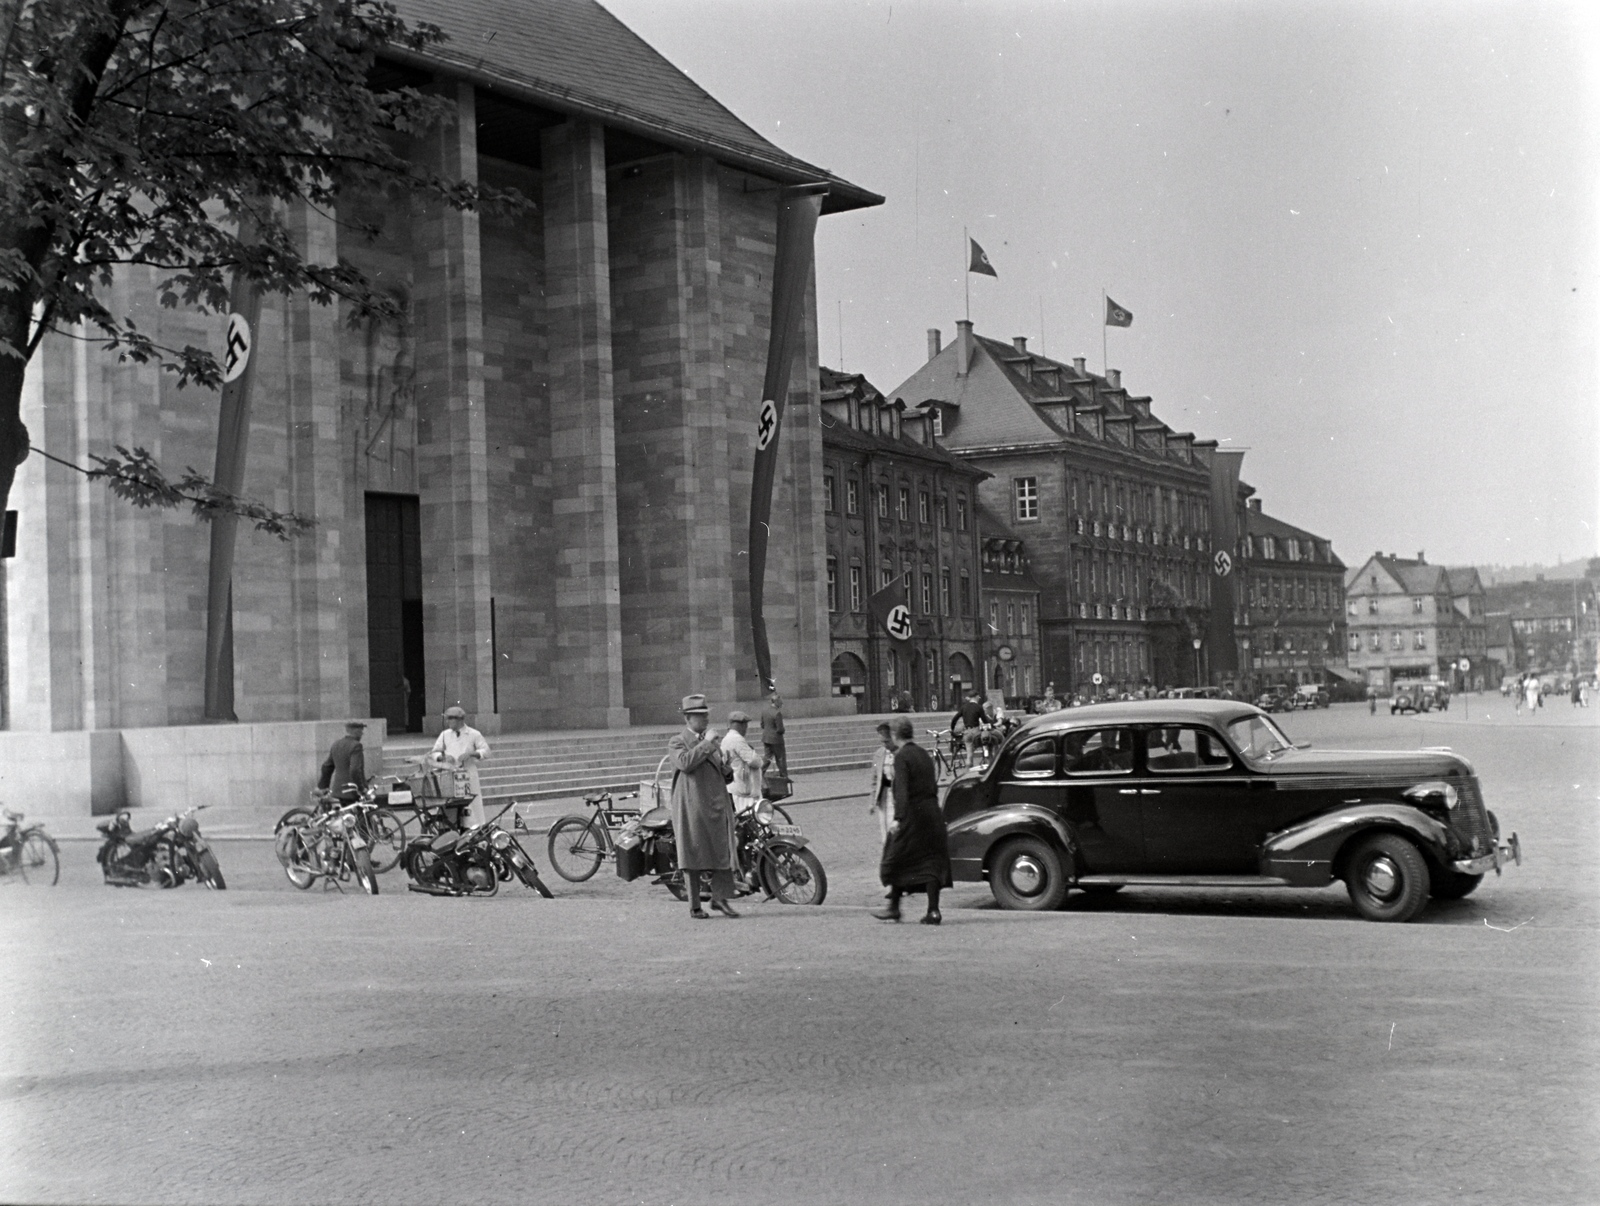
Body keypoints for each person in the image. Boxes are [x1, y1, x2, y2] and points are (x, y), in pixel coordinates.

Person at [874, 716, 952, 925]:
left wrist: (898, 818)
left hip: (912, 814)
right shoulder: (923, 754)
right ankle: (933, 911)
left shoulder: (902, 757)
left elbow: (902, 790)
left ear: (895, 735)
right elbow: (933, 784)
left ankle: (894, 908)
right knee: (931, 861)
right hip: (932, 812)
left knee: (897, 856)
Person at [668, 694, 739, 919]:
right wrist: (708, 744)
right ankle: (694, 904)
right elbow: (685, 763)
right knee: (693, 854)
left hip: (716, 805)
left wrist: (726, 768)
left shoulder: (711, 743)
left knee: (721, 851)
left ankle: (720, 899)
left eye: (706, 715)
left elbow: (719, 771)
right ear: (688, 718)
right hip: (693, 807)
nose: (706, 719)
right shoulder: (677, 741)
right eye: (700, 716)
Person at [431, 705, 490, 827]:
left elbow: (486, 751)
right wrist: (442, 757)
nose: (448, 722)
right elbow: (434, 752)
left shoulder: (474, 734)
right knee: (450, 804)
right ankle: (449, 827)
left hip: (468, 774)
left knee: (471, 805)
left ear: (460, 720)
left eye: (450, 719)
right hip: (450, 775)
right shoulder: (444, 735)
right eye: (447, 719)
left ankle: (472, 829)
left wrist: (472, 753)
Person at [720, 711, 765, 815]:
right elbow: (755, 761)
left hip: (737, 786)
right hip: (744, 788)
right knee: (751, 820)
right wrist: (758, 757)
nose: (746, 728)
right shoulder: (737, 739)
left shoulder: (727, 739)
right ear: (740, 725)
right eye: (745, 725)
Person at [318, 721, 367, 797]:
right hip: (352, 792)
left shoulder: (336, 744)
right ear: (356, 731)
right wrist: (361, 789)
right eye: (361, 731)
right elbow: (355, 770)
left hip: (337, 791)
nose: (362, 734)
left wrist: (323, 786)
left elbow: (326, 767)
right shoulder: (356, 745)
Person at [951, 692, 986, 764]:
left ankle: (968, 769)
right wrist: (992, 724)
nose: (979, 698)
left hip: (967, 732)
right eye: (978, 697)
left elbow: (955, 718)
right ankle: (986, 761)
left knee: (969, 753)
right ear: (976, 697)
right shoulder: (979, 707)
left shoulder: (964, 707)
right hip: (976, 732)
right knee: (985, 744)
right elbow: (985, 720)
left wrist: (952, 728)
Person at [761, 692, 788, 777]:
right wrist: (783, 730)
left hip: (766, 738)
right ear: (776, 702)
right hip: (776, 740)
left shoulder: (765, 711)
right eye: (780, 701)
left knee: (767, 758)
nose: (781, 703)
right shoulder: (777, 713)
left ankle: (759, 773)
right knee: (780, 759)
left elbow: (762, 725)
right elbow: (780, 729)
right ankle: (784, 776)